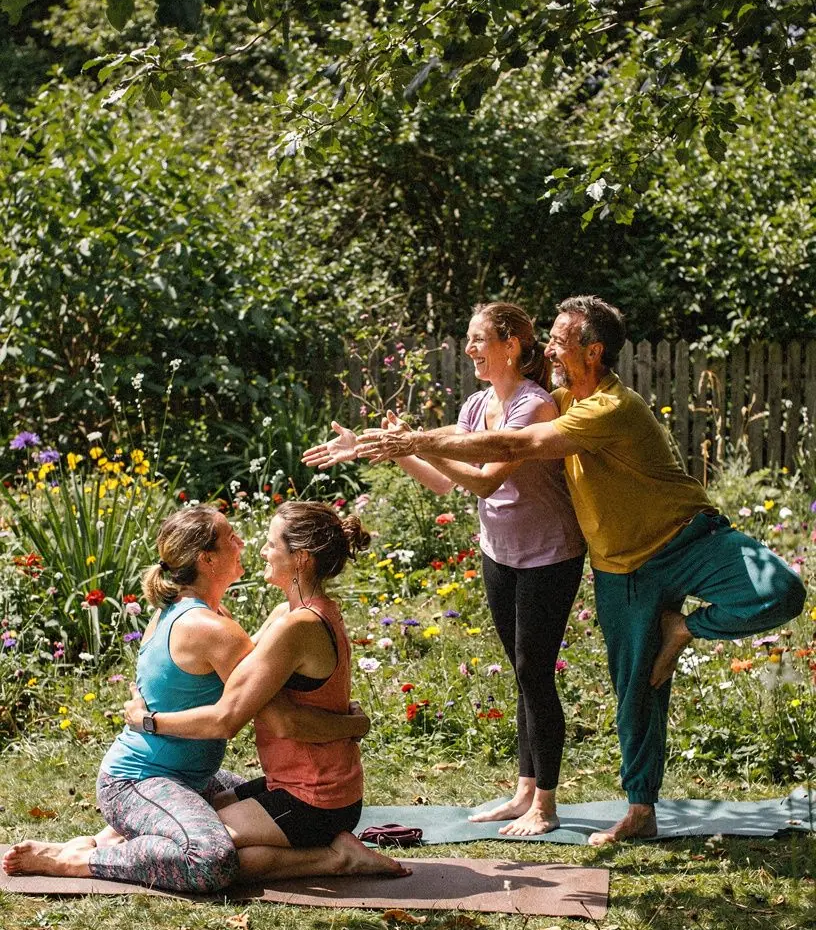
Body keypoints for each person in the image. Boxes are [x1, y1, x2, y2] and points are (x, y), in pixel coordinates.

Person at [351, 296, 807, 846]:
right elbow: (487, 441)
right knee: (637, 688)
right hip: (621, 568)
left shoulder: (611, 408)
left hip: (689, 537)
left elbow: (518, 444)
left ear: (592, 350)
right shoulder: (561, 399)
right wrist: (394, 444)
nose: (550, 347)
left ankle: (679, 631)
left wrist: (414, 440)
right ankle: (642, 810)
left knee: (781, 591)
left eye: (560, 339)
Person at [4, 504, 403, 889]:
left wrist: (356, 723)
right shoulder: (252, 621)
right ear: (206, 558)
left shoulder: (214, 617)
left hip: (262, 784)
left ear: (300, 559)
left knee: (210, 846)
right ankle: (93, 851)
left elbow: (247, 712)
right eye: (233, 537)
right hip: (154, 777)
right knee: (207, 849)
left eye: (269, 543)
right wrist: (354, 723)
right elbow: (253, 703)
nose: (251, 545)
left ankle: (99, 846)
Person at [305, 302, 585, 835]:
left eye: (480, 339)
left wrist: (415, 443)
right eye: (469, 339)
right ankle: (524, 791)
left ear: (512, 345)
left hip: (551, 554)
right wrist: (381, 449)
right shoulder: (478, 405)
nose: (470, 349)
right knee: (524, 676)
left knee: (534, 673)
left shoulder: (535, 406)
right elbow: (443, 479)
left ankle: (545, 805)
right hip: (499, 552)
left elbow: (483, 480)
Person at [121, 500, 409, 881]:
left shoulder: (300, 626)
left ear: (301, 559)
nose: (260, 549)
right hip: (294, 783)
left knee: (201, 850)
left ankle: (336, 858)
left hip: (314, 797)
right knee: (185, 820)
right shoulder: (287, 615)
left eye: (272, 543)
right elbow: (238, 674)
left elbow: (237, 715)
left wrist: (148, 720)